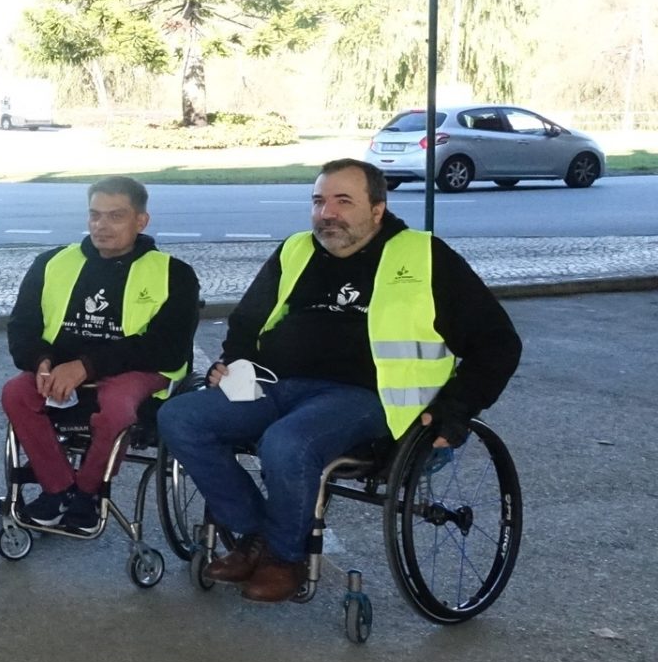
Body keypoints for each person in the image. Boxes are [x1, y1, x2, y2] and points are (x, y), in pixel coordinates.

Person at [157, 159, 522, 602]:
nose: (326, 214)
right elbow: (248, 319)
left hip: (367, 398)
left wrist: (456, 408)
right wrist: (231, 363)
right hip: (274, 384)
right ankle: (258, 534)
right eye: (318, 201)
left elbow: (498, 343)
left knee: (287, 442)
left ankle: (284, 558)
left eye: (343, 202)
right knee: (179, 418)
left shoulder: (423, 257)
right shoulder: (297, 250)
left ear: (377, 209)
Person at [2, 176, 200, 535]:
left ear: (141, 221)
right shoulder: (51, 263)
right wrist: (40, 361)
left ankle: (89, 493)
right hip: (61, 367)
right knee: (16, 392)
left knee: (117, 407)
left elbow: (167, 348)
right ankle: (59, 487)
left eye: (115, 216)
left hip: (137, 369)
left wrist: (86, 366)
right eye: (94, 215)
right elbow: (22, 326)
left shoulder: (175, 274)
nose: (101, 226)